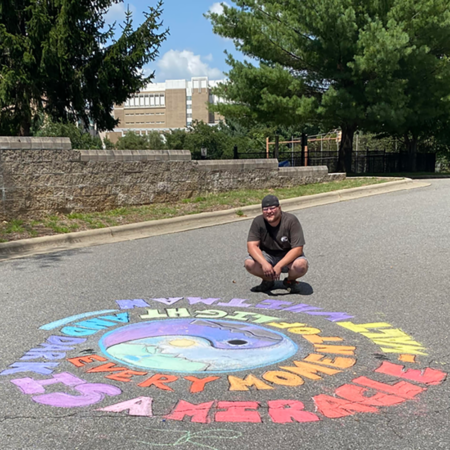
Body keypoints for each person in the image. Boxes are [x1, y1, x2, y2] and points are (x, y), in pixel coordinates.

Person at [244, 194, 308, 293]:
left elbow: (298, 249)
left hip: (287, 255)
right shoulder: (258, 221)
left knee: (301, 265)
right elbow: (251, 246)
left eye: (272, 208)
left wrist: (279, 266)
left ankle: (290, 281)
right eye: (265, 209)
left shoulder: (291, 220)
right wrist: (264, 263)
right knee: (249, 263)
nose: (269, 211)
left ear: (279, 208)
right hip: (268, 255)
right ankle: (268, 280)